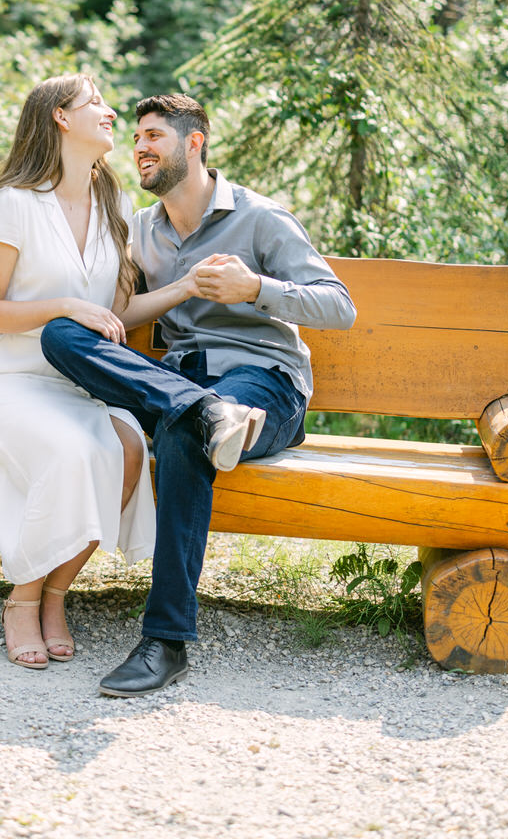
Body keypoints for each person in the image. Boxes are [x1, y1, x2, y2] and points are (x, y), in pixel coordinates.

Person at [38, 92, 357, 696]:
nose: (139, 150)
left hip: (262, 383)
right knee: (62, 334)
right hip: (181, 381)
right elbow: (118, 313)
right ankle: (204, 411)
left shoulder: (260, 218)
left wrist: (254, 287)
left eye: (153, 137)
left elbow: (339, 306)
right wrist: (182, 289)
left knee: (184, 431)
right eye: (135, 140)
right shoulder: (137, 230)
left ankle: (165, 641)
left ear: (194, 143)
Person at [0, 75, 231, 671]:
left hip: (81, 382)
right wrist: (61, 307)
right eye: (96, 105)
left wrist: (183, 287)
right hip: (13, 379)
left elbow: (111, 316)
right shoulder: (17, 204)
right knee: (73, 453)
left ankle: (57, 592)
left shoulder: (112, 205)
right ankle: (23, 598)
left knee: (129, 448)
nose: (110, 114)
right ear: (60, 117)